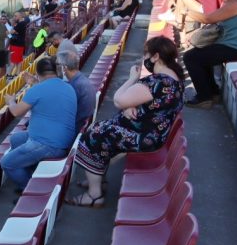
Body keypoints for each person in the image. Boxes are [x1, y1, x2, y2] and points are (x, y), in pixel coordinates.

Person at [71, 37, 185, 207]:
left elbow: (118, 100)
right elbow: (151, 104)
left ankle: (94, 195)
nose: (143, 59)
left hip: (145, 138)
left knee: (94, 135)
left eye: (145, 54)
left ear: (156, 56)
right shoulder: (174, 79)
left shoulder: (157, 82)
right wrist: (129, 107)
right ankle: (97, 178)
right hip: (153, 132)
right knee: (100, 128)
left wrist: (132, 78)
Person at [1, 57, 77, 192]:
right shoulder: (68, 86)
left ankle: (28, 188)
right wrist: (34, 83)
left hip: (48, 144)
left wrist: (11, 101)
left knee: (7, 163)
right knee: (15, 139)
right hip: (60, 139)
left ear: (38, 73)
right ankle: (28, 165)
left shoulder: (38, 90)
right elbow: (47, 94)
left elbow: (16, 112)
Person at [56, 49, 97, 131]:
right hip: (78, 126)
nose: (55, 68)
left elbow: (61, 113)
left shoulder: (74, 87)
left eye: (57, 65)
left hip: (70, 131)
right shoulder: (82, 80)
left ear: (64, 68)